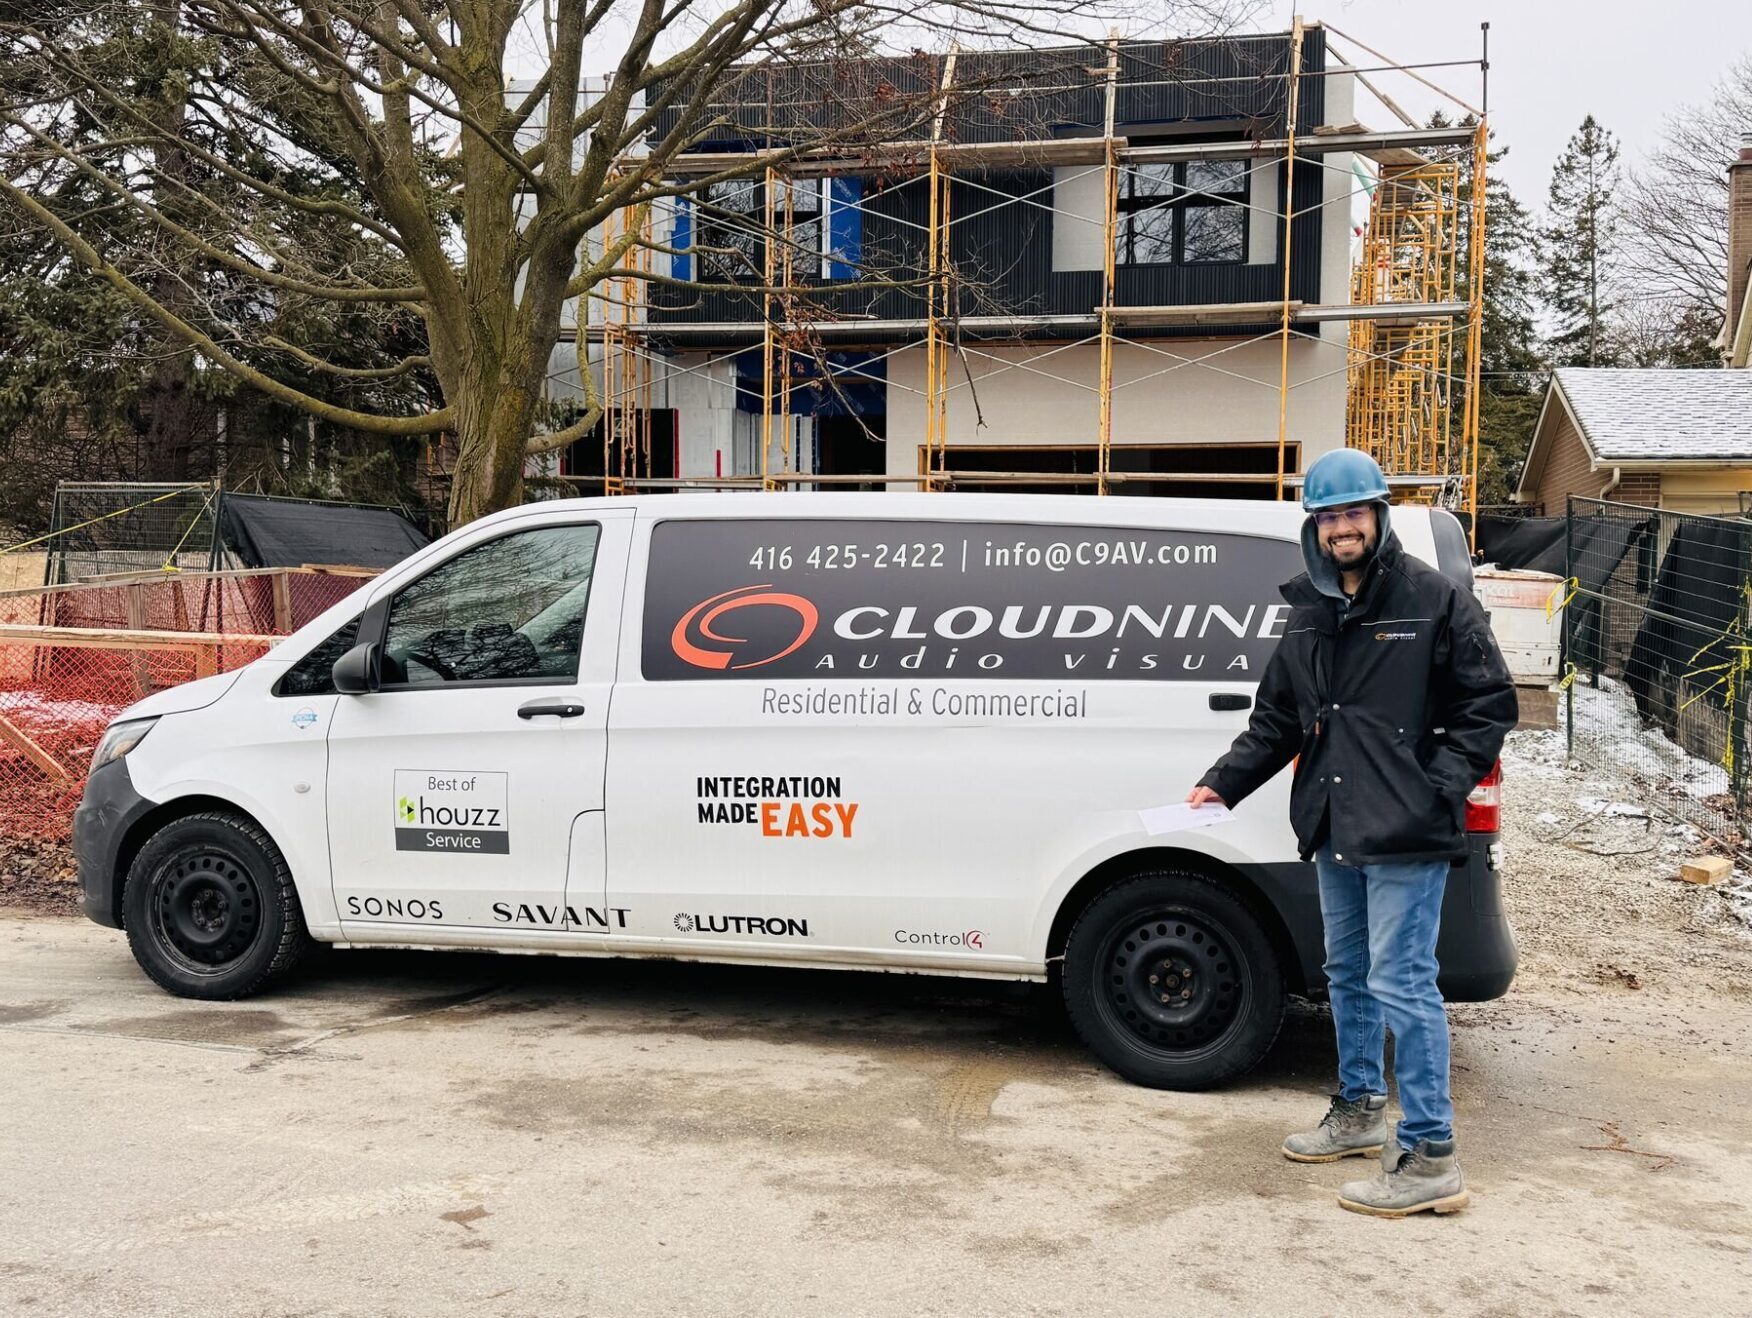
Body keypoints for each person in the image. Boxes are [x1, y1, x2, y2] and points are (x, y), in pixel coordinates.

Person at [1186, 448, 1517, 1217]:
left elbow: (1489, 705)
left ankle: (1432, 1152)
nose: (1342, 527)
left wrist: (1434, 789)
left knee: (1402, 981)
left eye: (1354, 513)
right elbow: (1276, 719)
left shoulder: (1432, 599)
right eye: (1328, 515)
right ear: (1316, 524)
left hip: (1406, 829)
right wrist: (1223, 783)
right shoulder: (1307, 608)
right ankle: (1360, 1108)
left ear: (1378, 516)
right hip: (1333, 823)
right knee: (1346, 974)